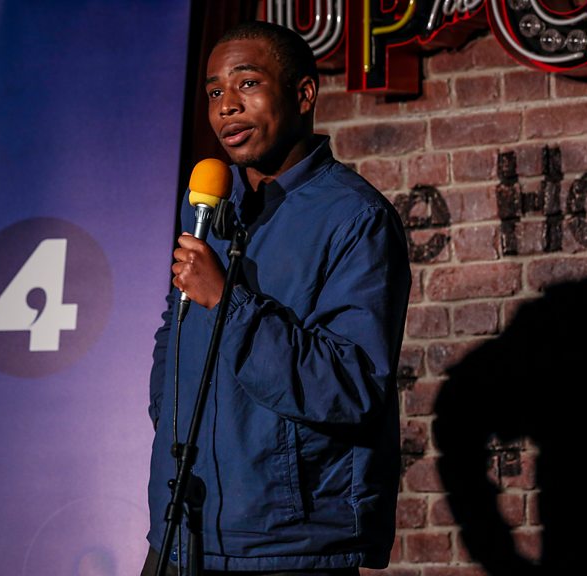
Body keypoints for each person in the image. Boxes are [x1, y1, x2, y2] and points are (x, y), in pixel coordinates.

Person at [143, 20, 411, 575]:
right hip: (182, 529)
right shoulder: (210, 207)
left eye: (247, 84)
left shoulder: (356, 219)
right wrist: (170, 418)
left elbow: (352, 386)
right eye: (214, 92)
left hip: (285, 544)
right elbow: (176, 332)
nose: (226, 106)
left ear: (303, 94)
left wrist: (229, 302)